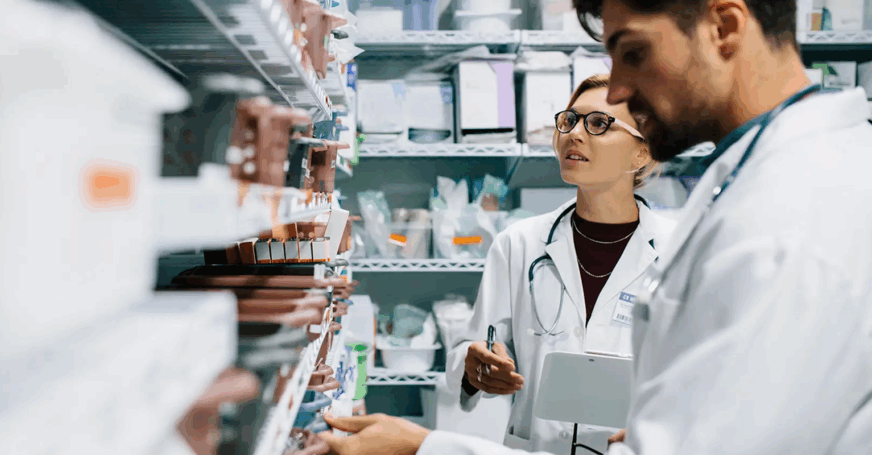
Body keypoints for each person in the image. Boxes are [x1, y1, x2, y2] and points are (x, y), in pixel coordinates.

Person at [317, 0, 872, 453]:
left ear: (723, 26)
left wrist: (423, 449)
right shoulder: (761, 182)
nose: (621, 89)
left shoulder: (792, 217)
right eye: (570, 120)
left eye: (633, 52)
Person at [445, 73, 676, 454]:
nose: (574, 134)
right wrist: (475, 367)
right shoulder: (518, 245)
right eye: (569, 120)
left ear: (642, 152)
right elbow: (469, 350)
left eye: (599, 123)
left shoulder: (676, 253)